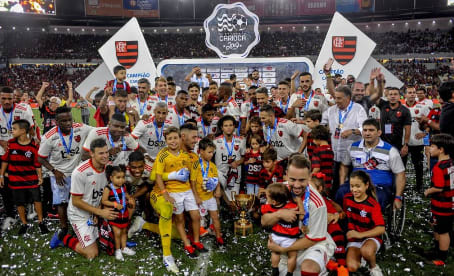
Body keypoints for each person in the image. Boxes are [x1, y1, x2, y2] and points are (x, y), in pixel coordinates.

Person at [265, 154, 335, 275]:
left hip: (312, 246)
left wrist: (282, 249)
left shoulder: (317, 204)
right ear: (286, 174)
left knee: (309, 268)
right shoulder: (278, 192)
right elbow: (264, 221)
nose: (297, 185)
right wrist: (278, 214)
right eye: (292, 179)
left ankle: (322, 264)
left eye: (302, 180)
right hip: (287, 246)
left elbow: (312, 240)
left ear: (309, 177)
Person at [49, 138, 118, 259]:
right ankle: (64, 238)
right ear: (91, 153)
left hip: (96, 210)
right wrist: (100, 212)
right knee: (92, 253)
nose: (105, 156)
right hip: (79, 214)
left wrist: (98, 213)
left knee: (112, 240)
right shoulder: (80, 172)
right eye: (101, 153)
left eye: (106, 152)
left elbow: (104, 193)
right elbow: (76, 201)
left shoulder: (109, 168)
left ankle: (95, 232)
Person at [38, 106, 93, 235]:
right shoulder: (49, 137)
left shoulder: (80, 127)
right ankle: (64, 228)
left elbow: (97, 131)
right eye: (64, 121)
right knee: (61, 202)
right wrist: (54, 171)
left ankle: (82, 223)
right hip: (59, 174)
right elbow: (41, 158)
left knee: (81, 199)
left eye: (70, 120)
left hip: (78, 172)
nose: (68, 123)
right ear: (56, 122)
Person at [154, 127, 205, 260]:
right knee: (180, 219)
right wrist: (165, 194)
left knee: (196, 216)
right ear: (166, 141)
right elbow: (158, 176)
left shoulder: (185, 155)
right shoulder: (163, 155)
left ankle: (196, 241)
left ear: (180, 138)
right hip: (173, 192)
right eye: (169, 139)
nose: (173, 141)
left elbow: (191, 177)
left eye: (175, 138)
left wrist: (196, 194)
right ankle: (187, 244)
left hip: (187, 190)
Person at [336, 119, 405, 211]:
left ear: (379, 132)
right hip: (356, 184)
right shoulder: (353, 148)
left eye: (371, 130)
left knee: (378, 199)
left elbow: (400, 174)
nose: (367, 133)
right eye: (365, 130)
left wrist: (398, 197)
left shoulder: (390, 151)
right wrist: (342, 184)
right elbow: (344, 166)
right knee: (341, 193)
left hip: (379, 186)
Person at [0, 120, 48, 235]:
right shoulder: (11, 144)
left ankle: (41, 222)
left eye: (14, 129)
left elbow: (37, 163)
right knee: (19, 202)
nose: (12, 131)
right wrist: (1, 175)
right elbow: (5, 160)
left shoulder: (33, 145)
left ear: (22, 131)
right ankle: (24, 223)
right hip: (16, 179)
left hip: (31, 178)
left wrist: (40, 176)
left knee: (37, 199)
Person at [0, 86, 36, 230]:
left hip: (20, 153)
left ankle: (28, 208)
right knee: (4, 185)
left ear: (14, 98)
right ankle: (10, 215)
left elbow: (31, 131)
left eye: (10, 98)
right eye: (4, 98)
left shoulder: (23, 109)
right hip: (2, 153)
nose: (7, 101)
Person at [322, 85, 367, 194]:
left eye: (339, 98)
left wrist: (352, 131)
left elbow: (365, 128)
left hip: (353, 155)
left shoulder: (358, 109)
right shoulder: (331, 110)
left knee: (352, 182)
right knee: (336, 182)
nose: (336, 101)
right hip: (335, 153)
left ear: (347, 98)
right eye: (335, 98)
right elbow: (322, 123)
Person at [344, 171, 385, 276]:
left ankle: (373, 267)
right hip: (354, 239)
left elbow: (381, 229)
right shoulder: (347, 198)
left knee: (366, 251)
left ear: (366, 185)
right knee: (352, 267)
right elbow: (344, 214)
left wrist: (359, 234)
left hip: (370, 237)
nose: (354, 189)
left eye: (358, 186)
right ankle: (362, 258)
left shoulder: (373, 204)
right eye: (352, 186)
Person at [423, 133, 454, 265]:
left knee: (443, 231)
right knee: (436, 225)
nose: (429, 148)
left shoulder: (439, 167)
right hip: (447, 202)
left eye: (432, 146)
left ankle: (441, 257)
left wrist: (428, 191)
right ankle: (436, 249)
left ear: (441, 149)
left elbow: (439, 187)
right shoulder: (451, 162)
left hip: (443, 204)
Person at [190, 137, 224, 246]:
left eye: (213, 152)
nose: (211, 155)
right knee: (199, 219)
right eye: (209, 152)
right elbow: (193, 182)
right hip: (200, 198)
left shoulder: (212, 166)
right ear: (201, 151)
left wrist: (218, 190)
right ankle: (197, 237)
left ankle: (218, 236)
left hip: (210, 197)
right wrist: (196, 197)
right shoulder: (196, 165)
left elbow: (216, 180)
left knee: (215, 217)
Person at [261, 183, 301, 276]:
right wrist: (298, 201)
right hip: (290, 237)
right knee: (292, 256)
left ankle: (275, 269)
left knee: (275, 252)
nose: (267, 200)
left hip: (276, 235)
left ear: (274, 202)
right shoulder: (292, 206)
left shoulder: (268, 207)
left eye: (267, 198)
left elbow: (263, 215)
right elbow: (301, 213)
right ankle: (289, 273)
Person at [101, 165, 136, 261]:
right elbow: (104, 201)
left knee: (124, 231)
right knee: (117, 233)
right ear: (111, 178)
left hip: (123, 213)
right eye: (118, 177)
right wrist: (115, 204)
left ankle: (124, 248)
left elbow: (125, 194)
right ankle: (117, 250)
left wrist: (129, 199)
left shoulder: (123, 186)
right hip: (115, 214)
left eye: (123, 177)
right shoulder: (108, 189)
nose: (121, 180)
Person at [214, 115, 245, 203]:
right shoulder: (215, 141)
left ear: (234, 126)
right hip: (220, 174)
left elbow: (244, 157)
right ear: (222, 127)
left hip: (234, 176)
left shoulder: (241, 141)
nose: (228, 128)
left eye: (231, 125)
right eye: (226, 126)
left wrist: (238, 162)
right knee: (218, 199)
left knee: (233, 202)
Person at [376, 87, 411, 154]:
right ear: (387, 96)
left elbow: (408, 129)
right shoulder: (383, 105)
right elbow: (373, 95)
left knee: (397, 163)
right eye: (390, 94)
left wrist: (405, 145)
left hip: (397, 144)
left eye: (395, 94)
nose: (393, 96)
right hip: (382, 143)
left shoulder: (405, 110)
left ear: (399, 96)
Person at [310, 125, 334, 196]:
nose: (313, 141)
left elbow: (316, 168)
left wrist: (310, 177)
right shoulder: (331, 149)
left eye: (313, 139)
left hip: (319, 182)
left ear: (318, 138)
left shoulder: (317, 151)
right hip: (329, 181)